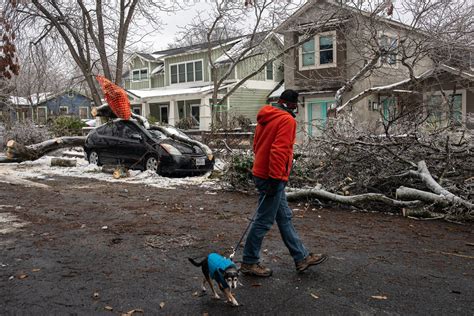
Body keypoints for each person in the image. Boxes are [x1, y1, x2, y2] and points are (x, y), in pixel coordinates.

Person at [240, 89, 327, 277]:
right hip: (272, 177)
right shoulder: (287, 120)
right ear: (293, 105)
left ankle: (301, 257)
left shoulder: (266, 117)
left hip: (263, 173)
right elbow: (279, 150)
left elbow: (256, 146)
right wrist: (275, 177)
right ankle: (249, 261)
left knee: (284, 217)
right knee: (263, 221)